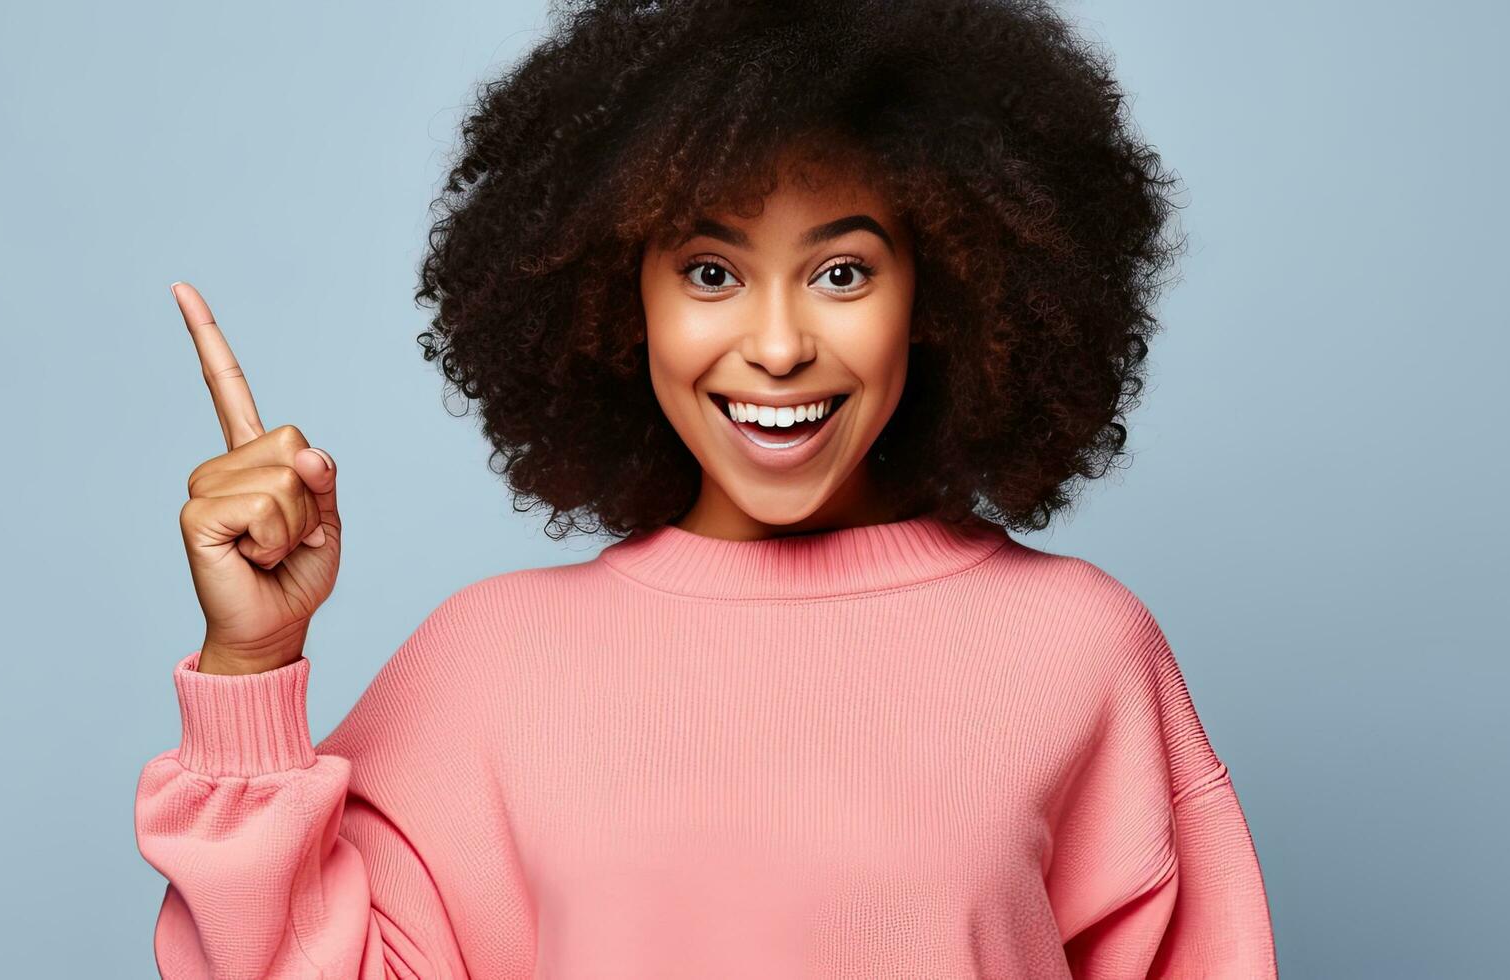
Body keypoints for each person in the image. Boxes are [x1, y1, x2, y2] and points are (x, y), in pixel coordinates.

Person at [135, 1, 1278, 976]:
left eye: (841, 271)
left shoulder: (1077, 647)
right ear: (612, 289)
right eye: (710, 270)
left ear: (939, 290)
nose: (775, 345)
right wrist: (253, 665)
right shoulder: (490, 663)